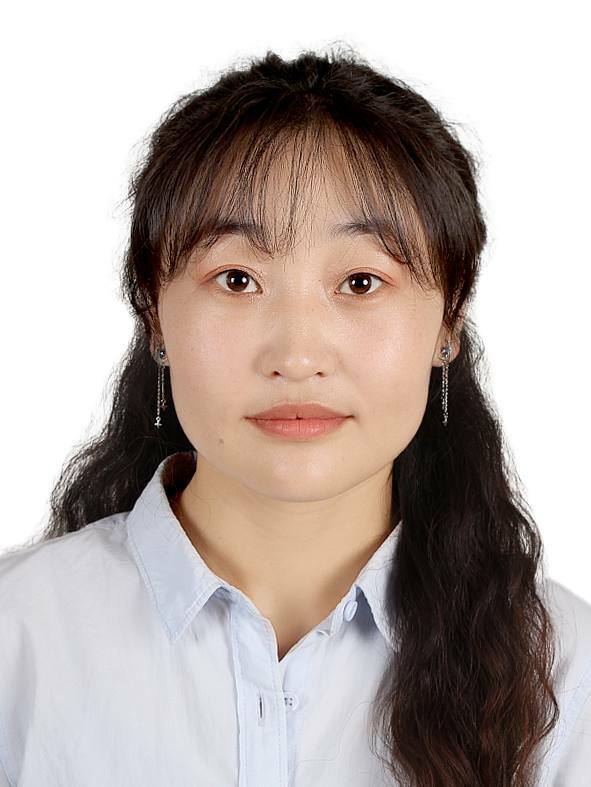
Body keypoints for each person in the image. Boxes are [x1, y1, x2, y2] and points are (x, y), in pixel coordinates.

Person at [1, 45, 590, 787]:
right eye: (237, 279)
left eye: (360, 281)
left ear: (448, 323)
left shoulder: (564, 673)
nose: (297, 354)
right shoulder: (19, 636)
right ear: (154, 314)